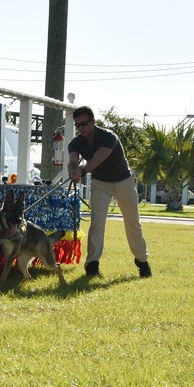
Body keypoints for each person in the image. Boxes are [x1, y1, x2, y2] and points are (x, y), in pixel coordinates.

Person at [67, 105, 152, 278]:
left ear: (93, 122)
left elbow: (98, 158)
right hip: (100, 183)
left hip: (123, 181)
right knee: (97, 223)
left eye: (84, 123)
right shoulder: (75, 142)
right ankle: (92, 265)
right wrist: (73, 170)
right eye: (77, 125)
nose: (81, 128)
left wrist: (82, 171)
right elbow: (72, 161)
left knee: (132, 222)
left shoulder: (108, 137)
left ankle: (142, 261)